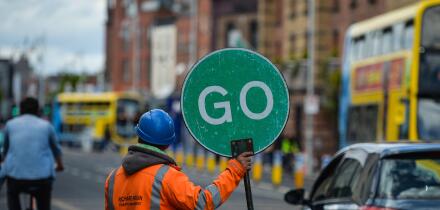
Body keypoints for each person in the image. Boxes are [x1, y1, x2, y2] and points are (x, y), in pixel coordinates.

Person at [105, 109, 253, 210]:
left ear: (139, 135)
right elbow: (203, 202)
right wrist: (235, 169)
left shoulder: (112, 179)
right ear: (168, 143)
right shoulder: (166, 177)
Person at [1, 97, 64, 210]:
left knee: (12, 193)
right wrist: (59, 165)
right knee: (44, 199)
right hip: (42, 179)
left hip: (16, 178)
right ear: (37, 111)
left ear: (20, 110)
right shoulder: (47, 126)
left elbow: (6, 150)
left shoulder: (10, 125)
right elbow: (56, 150)